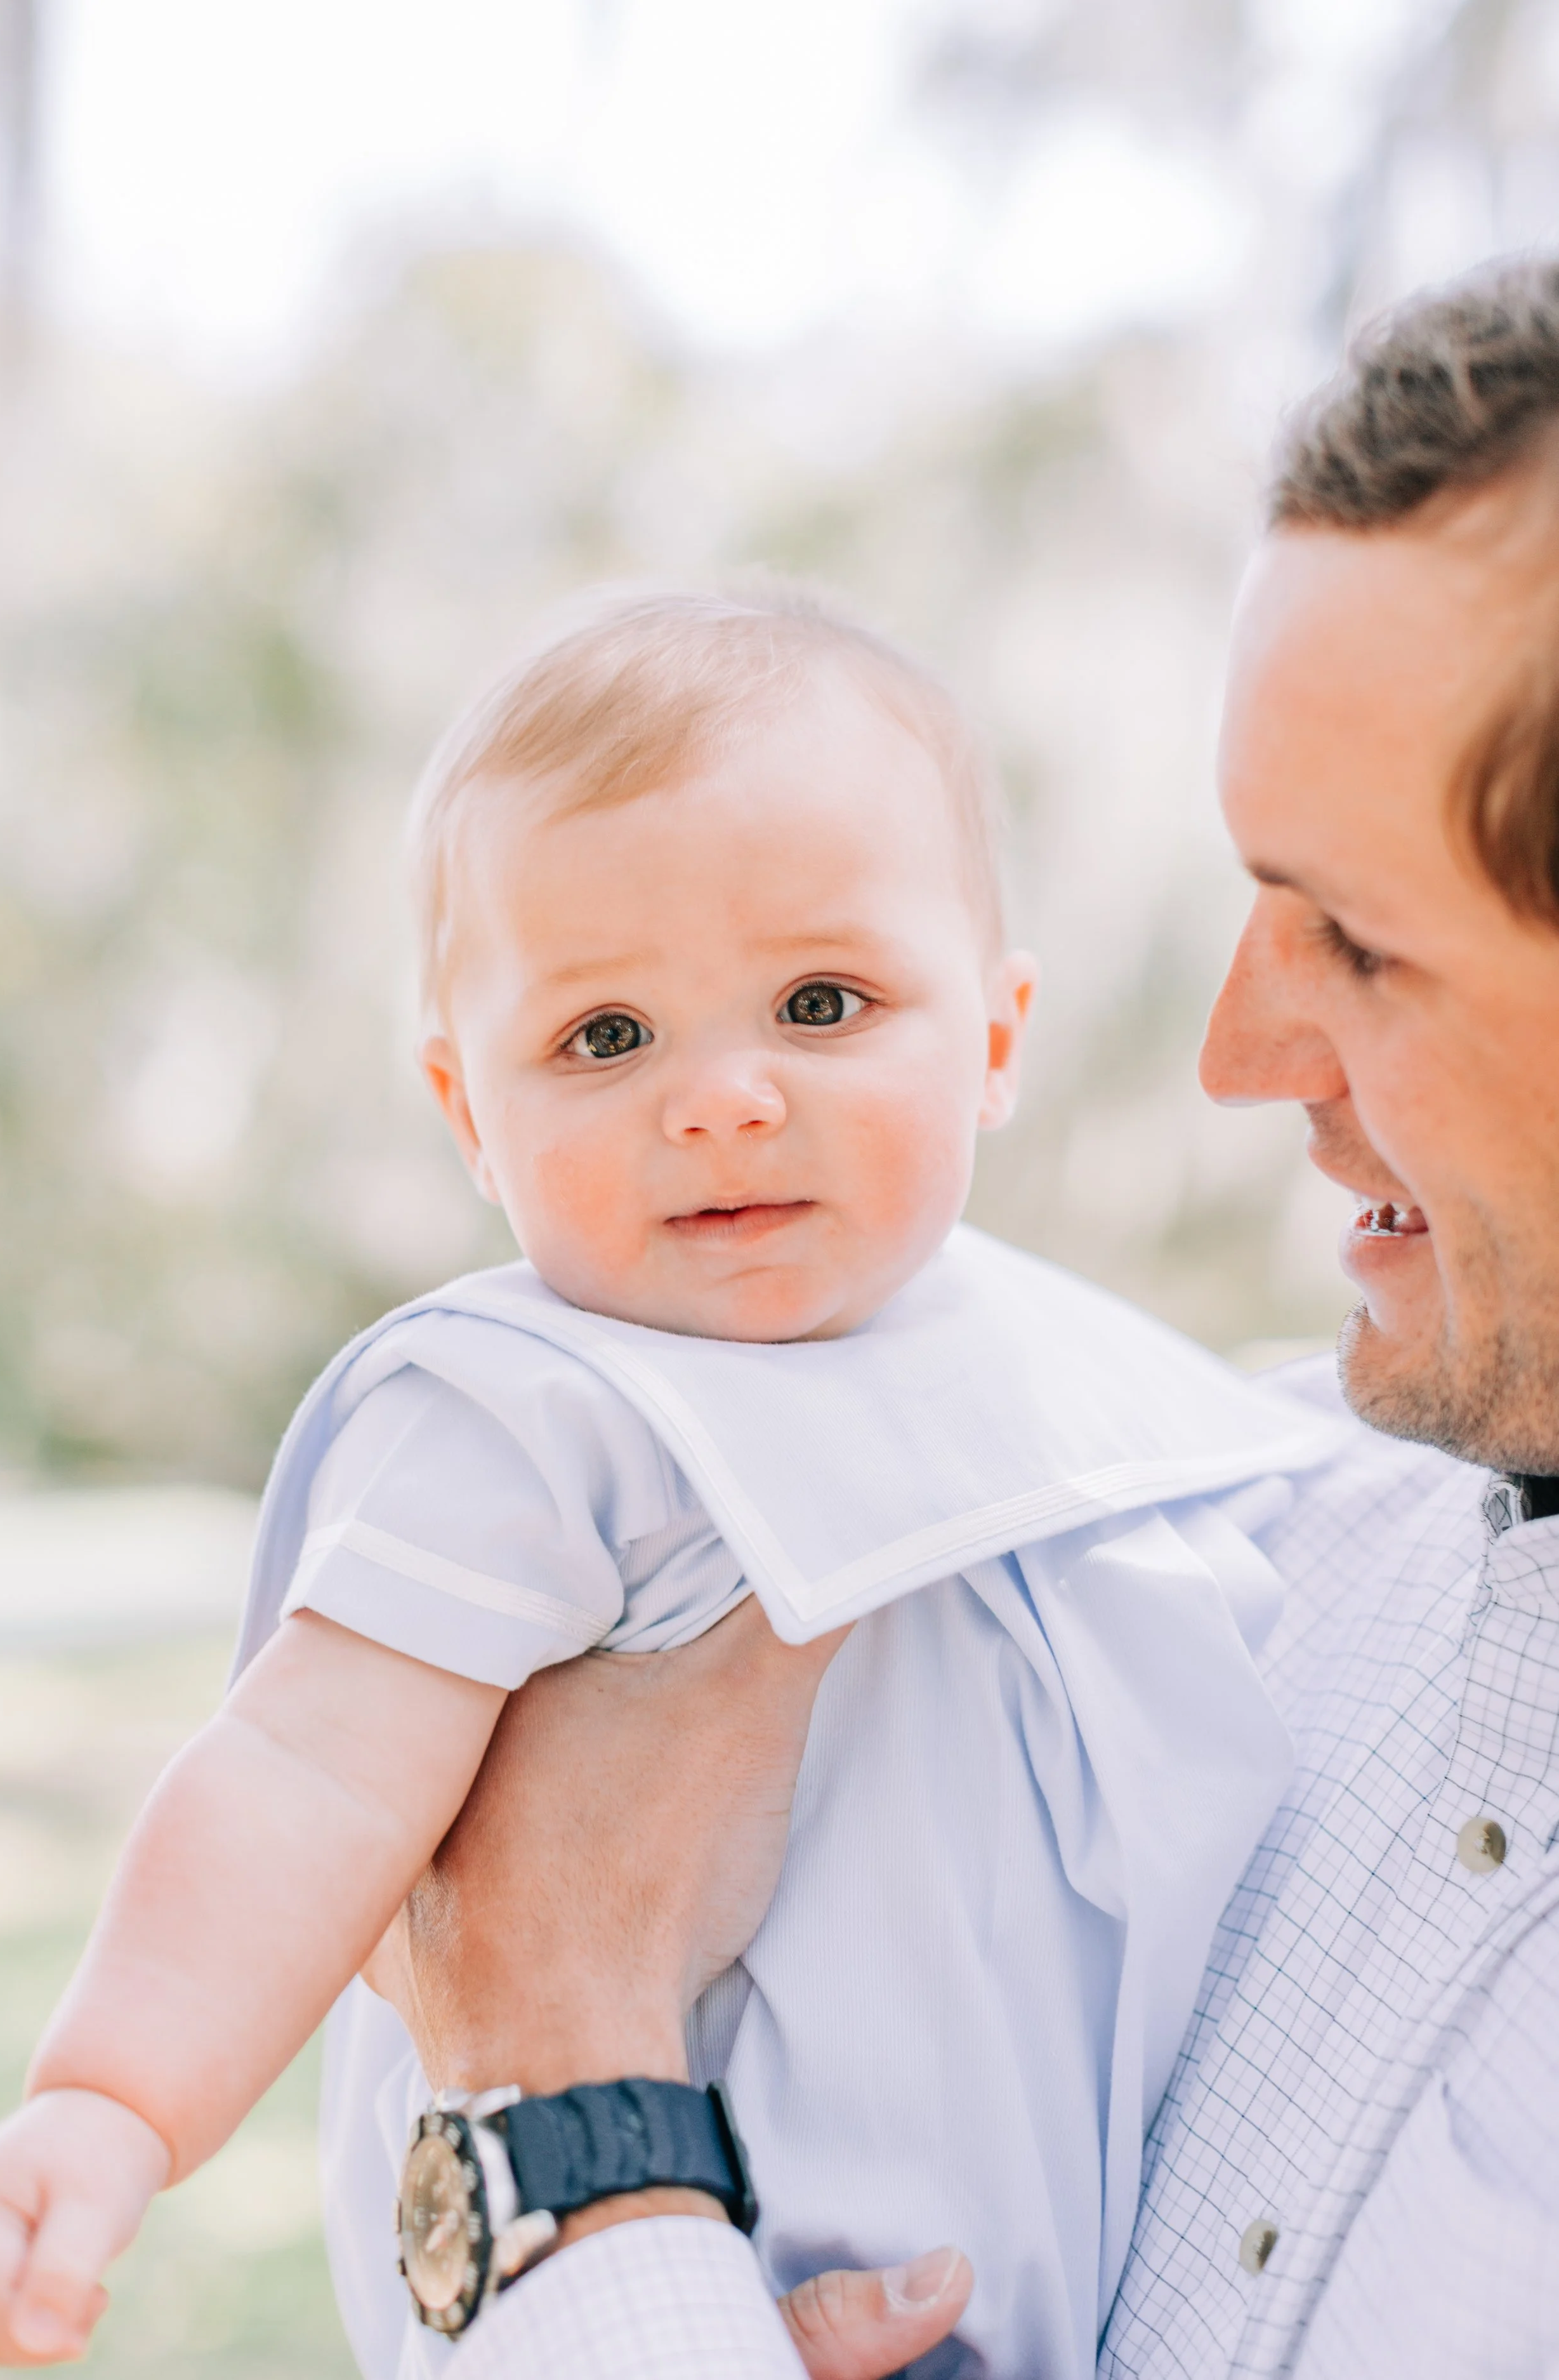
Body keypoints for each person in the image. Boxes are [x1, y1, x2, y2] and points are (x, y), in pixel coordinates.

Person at [365, 256, 1559, 2380]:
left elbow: (538, 1984)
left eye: (1357, 945)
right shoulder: (1208, 1540)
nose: (1235, 1047)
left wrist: (567, 2085)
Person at [0, 588, 1350, 2379]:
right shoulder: (526, 1415)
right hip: (663, 2272)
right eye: (605, 1037)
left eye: (819, 1001)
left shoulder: (1069, 1378)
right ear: (470, 1113)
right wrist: (109, 2101)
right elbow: (301, 1769)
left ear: (996, 1040)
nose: (718, 1096)